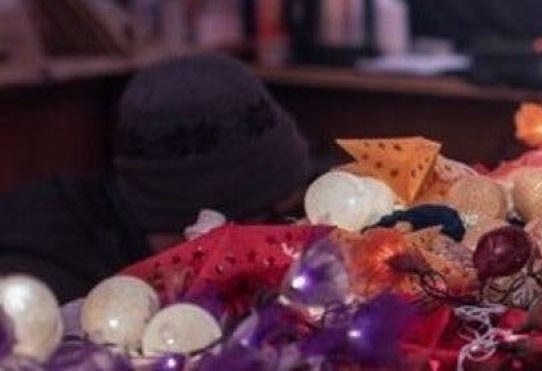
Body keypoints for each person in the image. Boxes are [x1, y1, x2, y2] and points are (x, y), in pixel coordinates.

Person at [0, 53, 313, 302]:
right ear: (213, 221)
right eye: (285, 217)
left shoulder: (127, 222)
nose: (292, 238)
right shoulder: (53, 290)